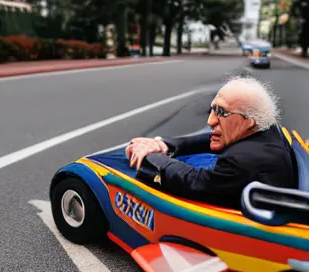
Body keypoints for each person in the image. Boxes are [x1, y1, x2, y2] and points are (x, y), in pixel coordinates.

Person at [125, 76, 298, 209]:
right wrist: (166, 145)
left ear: (250, 120)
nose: (210, 121)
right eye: (213, 110)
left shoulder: (242, 162)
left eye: (221, 112)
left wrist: (151, 155)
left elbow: (192, 182)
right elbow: (212, 140)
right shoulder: (267, 130)